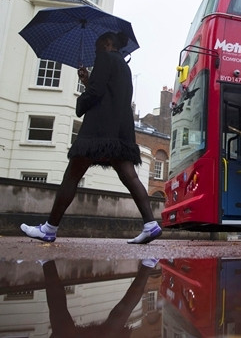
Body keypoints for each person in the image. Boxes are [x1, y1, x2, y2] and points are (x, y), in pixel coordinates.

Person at [20, 31, 161, 244]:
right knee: (130, 176)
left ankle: (49, 229)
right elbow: (107, 93)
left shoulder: (104, 57)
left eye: (97, 46)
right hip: (120, 129)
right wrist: (88, 81)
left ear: (107, 43)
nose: (95, 50)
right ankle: (150, 224)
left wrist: (83, 100)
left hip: (99, 129)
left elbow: (96, 94)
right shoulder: (124, 65)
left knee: (72, 175)